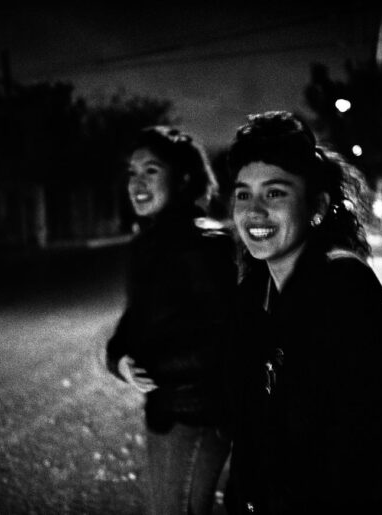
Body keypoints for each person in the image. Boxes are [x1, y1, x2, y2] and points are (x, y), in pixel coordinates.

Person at [224, 111, 382, 514]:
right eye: (243, 194)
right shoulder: (254, 291)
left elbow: (374, 445)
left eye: (275, 193)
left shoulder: (344, 289)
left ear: (316, 206)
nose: (254, 211)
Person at [103, 126, 236, 515]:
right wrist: (120, 360)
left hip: (198, 415)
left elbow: (226, 340)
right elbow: (134, 325)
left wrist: (159, 369)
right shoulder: (150, 243)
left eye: (151, 171)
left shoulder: (205, 246)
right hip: (166, 410)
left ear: (182, 178)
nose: (137, 183)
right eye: (132, 172)